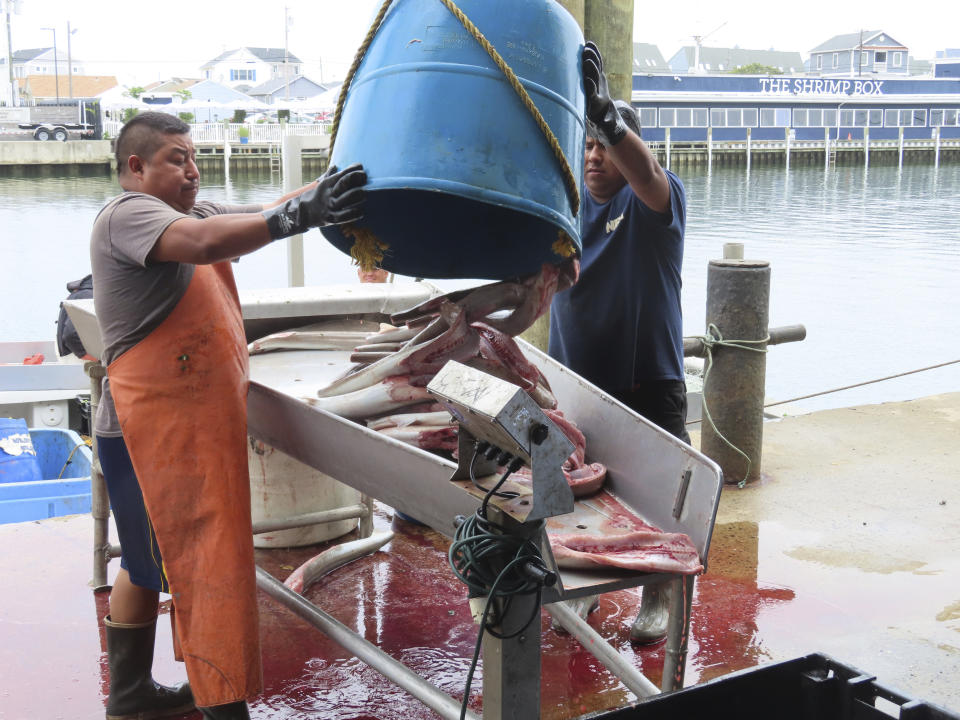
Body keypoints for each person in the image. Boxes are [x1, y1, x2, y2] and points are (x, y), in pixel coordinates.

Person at [90, 111, 365, 719]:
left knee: (153, 559)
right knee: (198, 563)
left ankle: (131, 695)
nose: (191, 171)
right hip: (145, 433)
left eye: (192, 157)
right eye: (174, 159)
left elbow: (255, 213)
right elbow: (208, 244)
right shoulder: (128, 216)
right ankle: (221, 706)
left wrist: (329, 189)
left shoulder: (189, 213)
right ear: (135, 167)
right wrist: (301, 218)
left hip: (186, 428)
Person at [548, 42, 689, 644]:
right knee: (570, 500)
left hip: (646, 382)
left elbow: (649, 174)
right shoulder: (563, 211)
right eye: (588, 143)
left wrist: (607, 115)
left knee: (660, 500)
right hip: (575, 388)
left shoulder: (655, 200)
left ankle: (658, 591)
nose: (595, 155)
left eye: (606, 144)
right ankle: (584, 591)